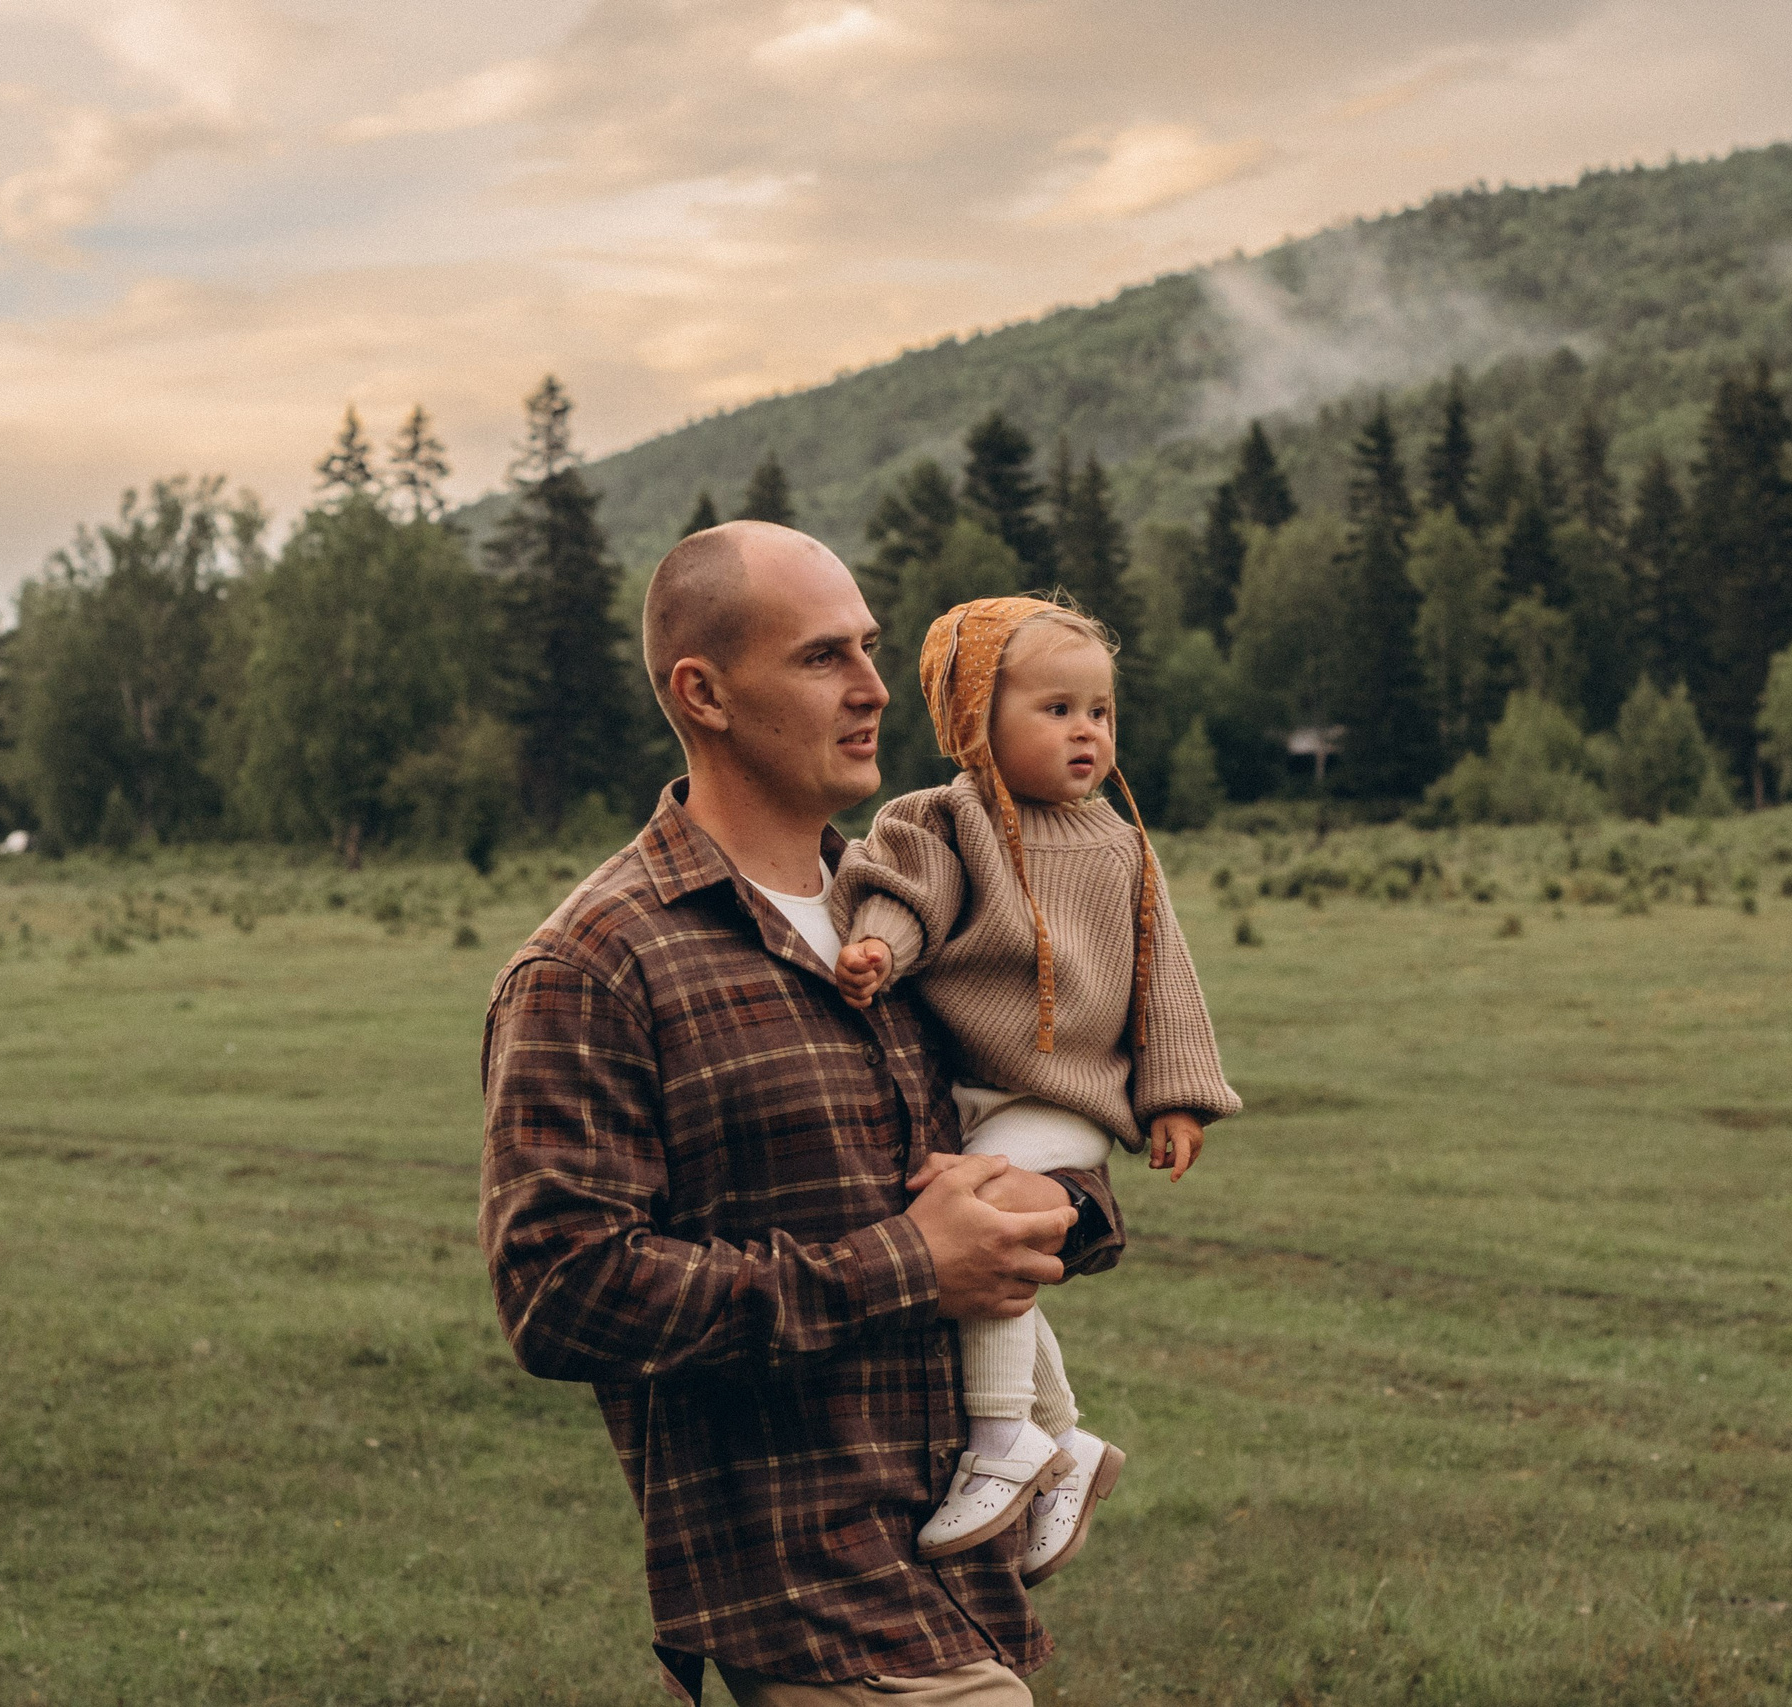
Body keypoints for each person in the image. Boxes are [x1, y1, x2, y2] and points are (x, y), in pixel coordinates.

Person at [479, 522, 1126, 1707]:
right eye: (824, 656)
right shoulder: (599, 964)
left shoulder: (921, 915)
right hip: (806, 1605)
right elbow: (556, 1292)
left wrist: (1058, 1207)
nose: (876, 689)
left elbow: (1043, 1136)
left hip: (961, 1587)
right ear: (705, 694)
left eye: (873, 648)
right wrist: (904, 1267)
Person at [830, 597, 1239, 1584]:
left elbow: (1163, 977)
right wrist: (882, 942)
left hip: (1061, 1097)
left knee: (994, 1222)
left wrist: (1176, 1097)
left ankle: (1004, 1439)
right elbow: (910, 893)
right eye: (1055, 708)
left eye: (1099, 710)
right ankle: (1070, 1442)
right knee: (985, 1259)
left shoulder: (1120, 846)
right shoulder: (942, 818)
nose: (1086, 730)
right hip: (961, 1095)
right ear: (975, 718)